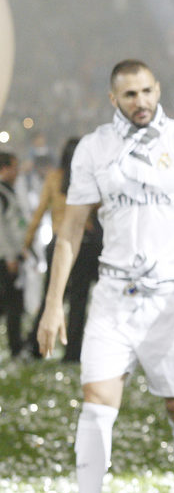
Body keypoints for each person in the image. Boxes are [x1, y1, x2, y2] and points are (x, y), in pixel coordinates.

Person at [37, 59, 174, 493]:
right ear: (113, 99)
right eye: (129, 95)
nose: (140, 102)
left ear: (157, 89)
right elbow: (70, 231)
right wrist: (52, 304)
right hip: (114, 296)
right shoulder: (93, 149)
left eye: (146, 91)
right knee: (97, 403)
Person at [23, 138, 101, 362]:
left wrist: (27, 242)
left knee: (52, 297)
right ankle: (73, 352)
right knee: (79, 301)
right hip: (85, 245)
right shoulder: (89, 179)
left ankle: (38, 347)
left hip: (59, 245)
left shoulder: (54, 178)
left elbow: (39, 212)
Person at [0, 151, 27, 359]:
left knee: (14, 303)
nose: (18, 172)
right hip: (5, 259)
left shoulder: (8, 191)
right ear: (4, 168)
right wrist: (10, 256)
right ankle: (15, 347)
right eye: (15, 167)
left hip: (11, 256)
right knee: (12, 304)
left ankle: (17, 345)